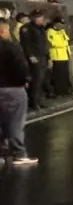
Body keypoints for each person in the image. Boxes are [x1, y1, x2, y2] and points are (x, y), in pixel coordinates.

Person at [0, 19, 37, 165]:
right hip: (13, 88)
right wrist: (25, 79)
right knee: (15, 122)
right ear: (2, 31)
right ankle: (19, 153)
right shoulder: (11, 46)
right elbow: (21, 66)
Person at [20, 10, 49, 110]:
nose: (41, 20)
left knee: (42, 80)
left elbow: (44, 43)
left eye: (41, 18)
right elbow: (25, 44)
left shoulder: (41, 28)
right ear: (33, 18)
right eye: (39, 18)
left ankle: (40, 100)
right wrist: (30, 55)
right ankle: (34, 102)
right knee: (36, 80)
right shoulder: (26, 28)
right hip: (35, 58)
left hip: (43, 57)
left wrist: (48, 56)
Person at [47, 17, 72, 96]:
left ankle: (65, 90)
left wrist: (69, 53)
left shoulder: (62, 31)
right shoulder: (50, 31)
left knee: (65, 74)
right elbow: (53, 43)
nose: (62, 26)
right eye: (60, 24)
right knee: (58, 75)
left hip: (64, 55)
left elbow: (67, 41)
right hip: (56, 56)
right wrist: (63, 44)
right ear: (55, 24)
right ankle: (58, 91)